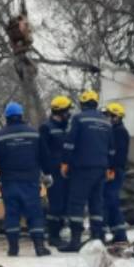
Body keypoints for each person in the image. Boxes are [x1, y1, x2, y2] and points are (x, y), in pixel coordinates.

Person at [0, 102, 51, 257]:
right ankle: (39, 248)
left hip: (9, 183)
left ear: (7, 117)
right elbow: (44, 156)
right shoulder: (34, 134)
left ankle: (13, 248)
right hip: (30, 181)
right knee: (34, 214)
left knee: (12, 215)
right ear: (21, 116)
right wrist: (47, 174)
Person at [59, 89, 111, 252]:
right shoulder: (106, 122)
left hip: (82, 168)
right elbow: (111, 149)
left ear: (82, 103)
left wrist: (65, 162)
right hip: (101, 169)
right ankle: (98, 237)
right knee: (97, 203)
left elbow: (69, 143)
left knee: (77, 204)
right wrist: (109, 167)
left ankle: (75, 240)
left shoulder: (78, 119)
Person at [39, 95, 73, 247]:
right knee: (56, 205)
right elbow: (42, 152)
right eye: (67, 111)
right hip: (53, 173)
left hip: (66, 172)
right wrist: (46, 173)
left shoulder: (65, 128)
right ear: (60, 112)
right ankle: (52, 236)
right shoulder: (46, 128)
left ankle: (59, 232)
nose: (69, 114)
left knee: (65, 204)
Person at [104, 102, 130, 246]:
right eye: (108, 115)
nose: (109, 118)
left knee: (111, 201)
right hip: (112, 170)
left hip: (115, 171)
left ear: (118, 117)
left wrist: (112, 168)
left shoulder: (119, 131)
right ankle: (118, 234)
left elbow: (119, 154)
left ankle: (120, 235)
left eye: (112, 115)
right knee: (109, 201)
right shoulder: (113, 130)